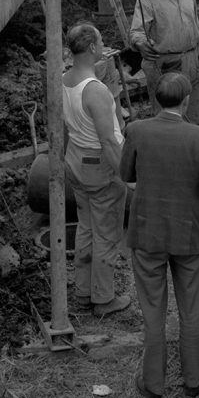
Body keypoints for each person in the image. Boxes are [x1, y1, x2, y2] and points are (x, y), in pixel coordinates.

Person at [121, 72, 199, 398]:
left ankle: (153, 386)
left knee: (153, 312)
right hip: (188, 234)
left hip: (147, 233)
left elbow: (125, 174)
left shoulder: (137, 130)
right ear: (186, 101)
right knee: (190, 309)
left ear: (157, 99)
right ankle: (194, 380)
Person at [62, 23, 131, 315]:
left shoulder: (64, 81)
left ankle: (82, 291)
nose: (103, 45)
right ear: (92, 48)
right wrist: (128, 177)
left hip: (75, 160)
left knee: (87, 228)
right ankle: (103, 299)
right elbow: (108, 141)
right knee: (106, 233)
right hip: (98, 165)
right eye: (101, 41)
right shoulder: (96, 91)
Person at [130, 0, 199, 125]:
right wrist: (141, 43)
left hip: (194, 59)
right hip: (166, 65)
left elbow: (194, 19)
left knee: (197, 117)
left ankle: (195, 147)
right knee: (170, 121)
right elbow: (136, 32)